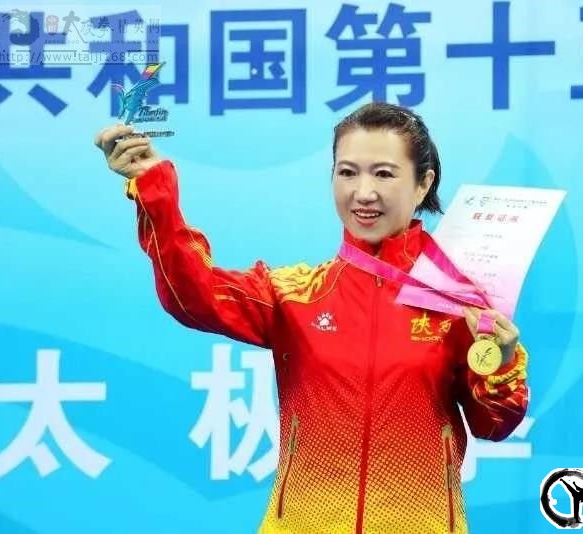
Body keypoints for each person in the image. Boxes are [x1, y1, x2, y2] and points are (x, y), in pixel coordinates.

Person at [94, 102, 530, 534]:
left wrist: (501, 360)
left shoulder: (457, 304)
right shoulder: (294, 294)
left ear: (423, 184)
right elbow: (193, 295)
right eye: (347, 172)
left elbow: (493, 424)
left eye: (384, 174)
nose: (363, 193)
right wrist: (154, 187)